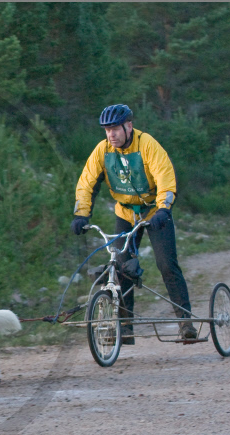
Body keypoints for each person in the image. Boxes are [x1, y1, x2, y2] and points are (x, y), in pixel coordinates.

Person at [71, 103, 197, 344]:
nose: (111, 135)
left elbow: (165, 176)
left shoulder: (147, 144)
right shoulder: (102, 151)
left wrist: (163, 208)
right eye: (107, 130)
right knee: (121, 267)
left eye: (115, 129)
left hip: (154, 213)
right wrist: (81, 215)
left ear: (129, 126)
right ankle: (125, 328)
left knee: (166, 265)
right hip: (125, 213)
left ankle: (185, 323)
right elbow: (86, 183)